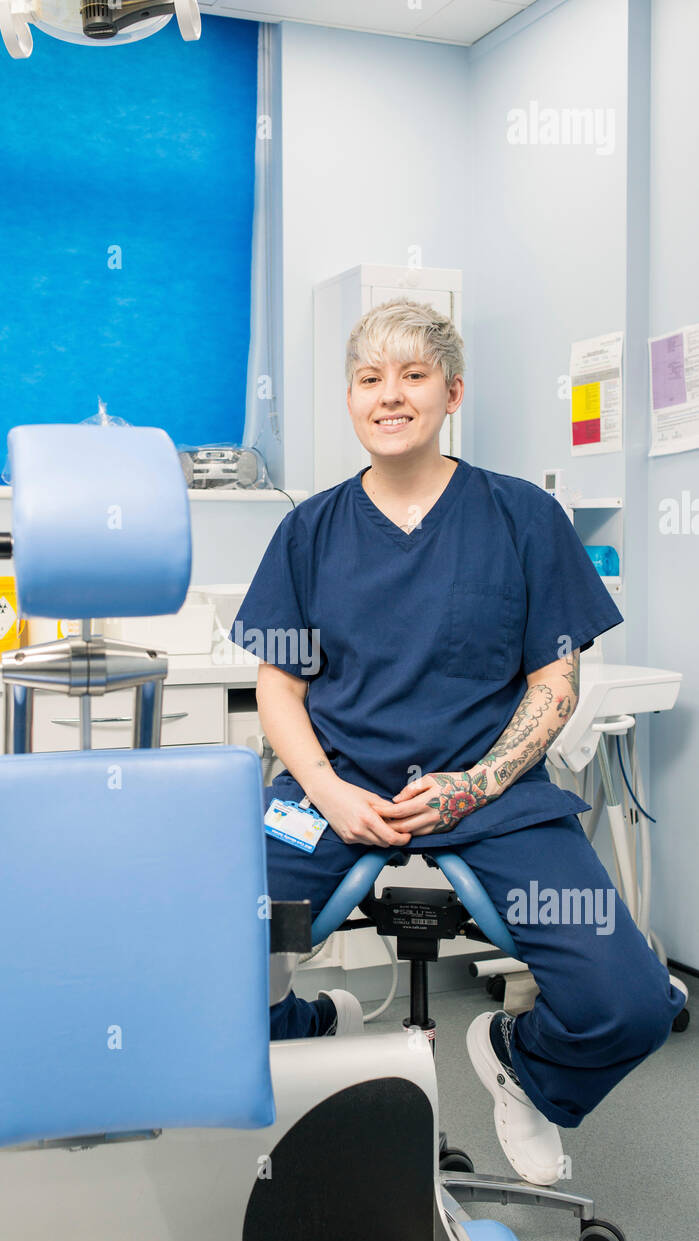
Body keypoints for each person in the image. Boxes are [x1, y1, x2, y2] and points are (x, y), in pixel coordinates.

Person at [230, 298, 685, 1186]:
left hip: (496, 799)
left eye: (412, 375)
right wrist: (322, 789)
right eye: (369, 378)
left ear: (451, 392)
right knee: (199, 951)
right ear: (350, 398)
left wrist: (473, 784)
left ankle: (522, 1062)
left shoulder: (521, 518)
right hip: (334, 791)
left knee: (629, 1003)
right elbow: (278, 688)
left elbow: (556, 685)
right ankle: (302, 1027)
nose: (388, 395)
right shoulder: (310, 531)